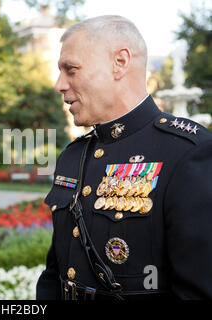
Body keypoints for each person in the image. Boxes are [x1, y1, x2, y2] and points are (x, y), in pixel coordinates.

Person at [36, 15, 212, 300]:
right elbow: (55, 275)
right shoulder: (74, 155)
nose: (59, 84)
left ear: (120, 63)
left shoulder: (189, 153)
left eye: (71, 70)